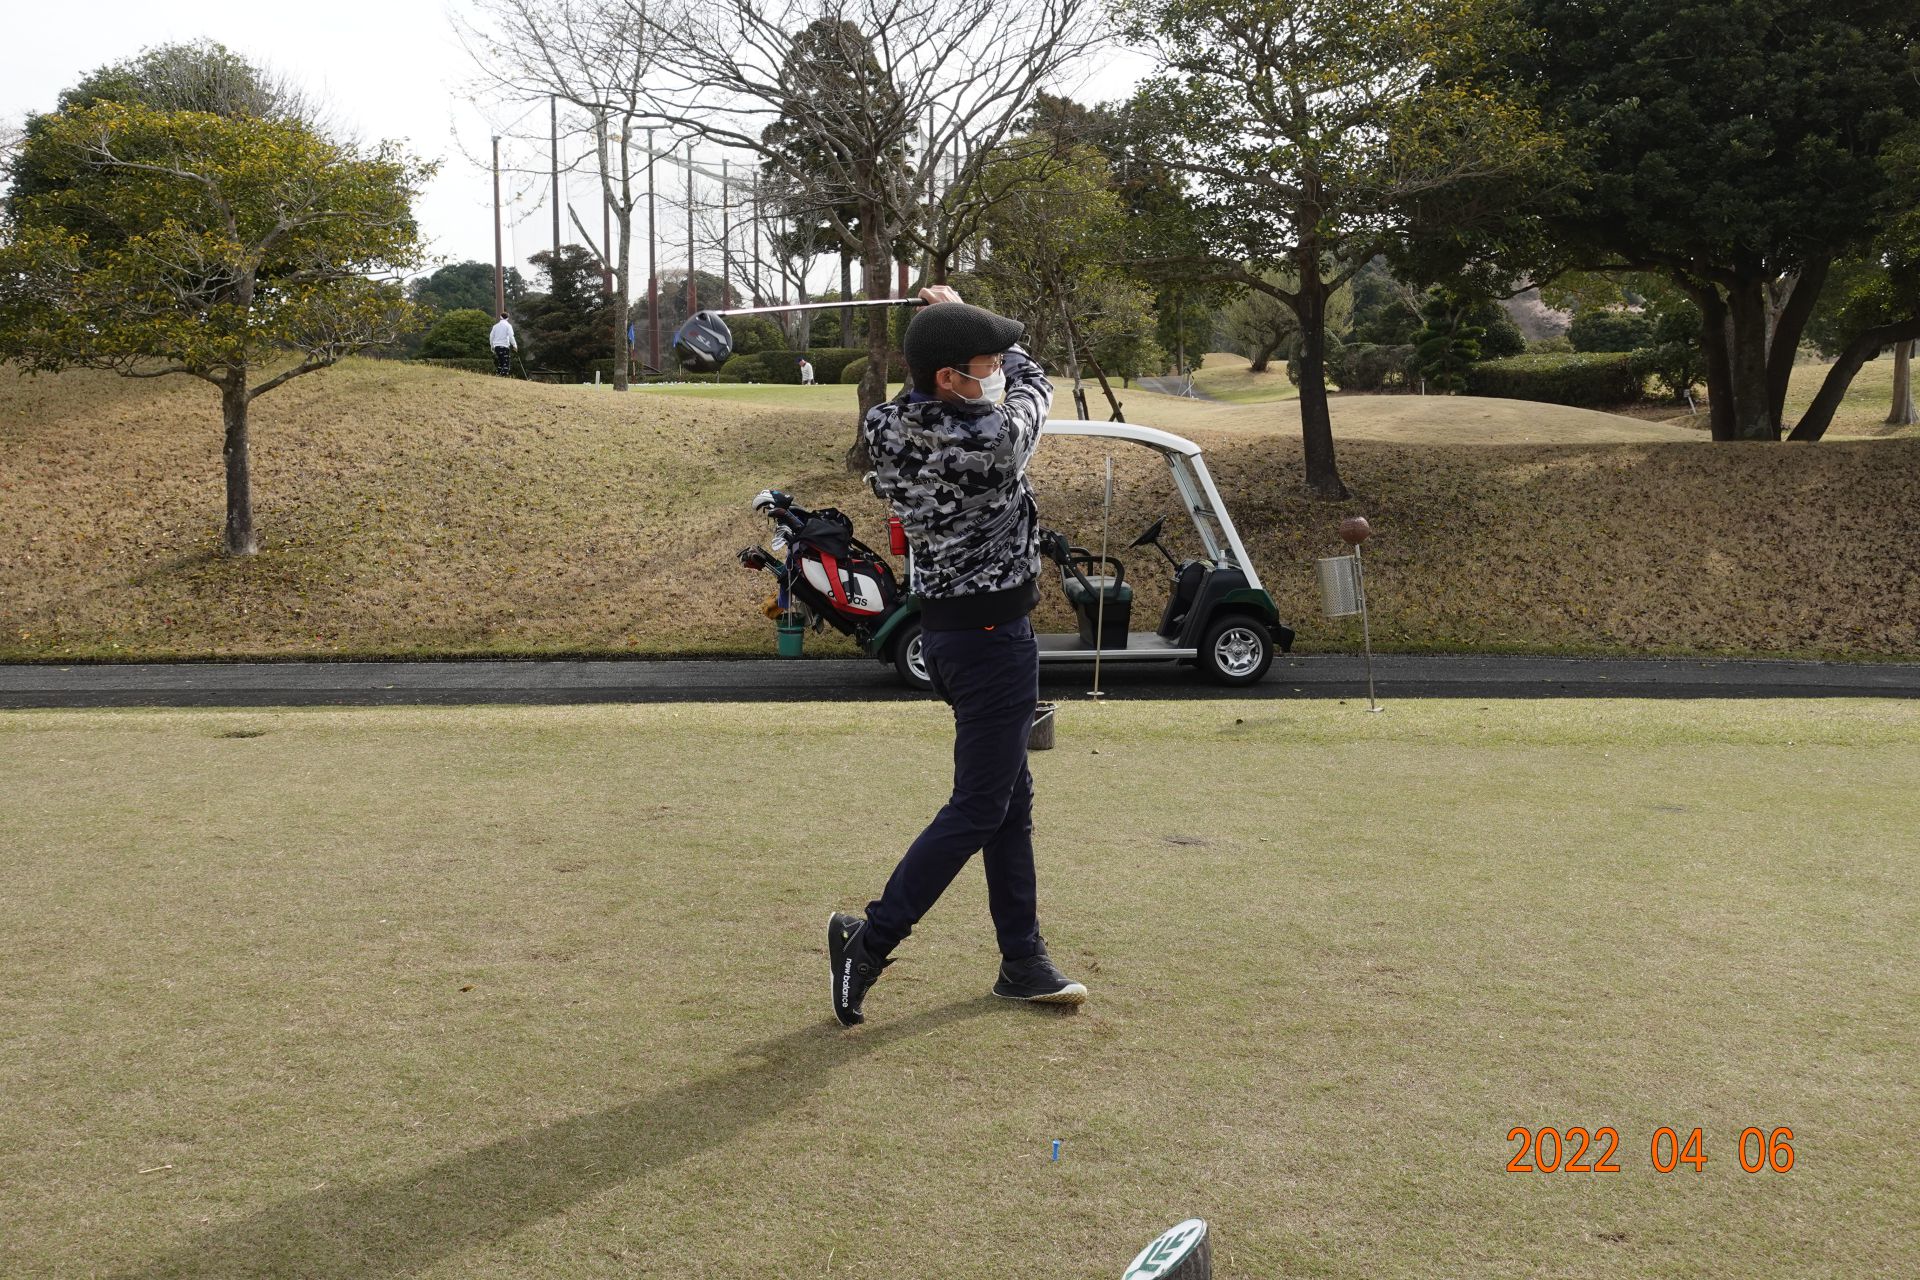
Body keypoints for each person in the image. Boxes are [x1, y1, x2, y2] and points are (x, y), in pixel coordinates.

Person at [827, 284, 1087, 1026]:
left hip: (947, 637)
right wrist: (961, 308)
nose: (998, 368)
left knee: (1008, 801)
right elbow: (1037, 384)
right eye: (985, 361)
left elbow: (936, 385)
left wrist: (948, 326)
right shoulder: (995, 439)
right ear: (950, 377)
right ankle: (870, 940)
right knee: (979, 808)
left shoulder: (884, 424)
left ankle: (1022, 960)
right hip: (992, 642)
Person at [489, 312, 517, 376]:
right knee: (506, 362)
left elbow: (491, 336)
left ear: (500, 317)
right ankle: (504, 375)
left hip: (496, 347)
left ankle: (498, 374)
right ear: (508, 318)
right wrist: (514, 345)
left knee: (500, 361)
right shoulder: (508, 326)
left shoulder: (495, 326)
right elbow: (511, 336)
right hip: (504, 346)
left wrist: (492, 346)